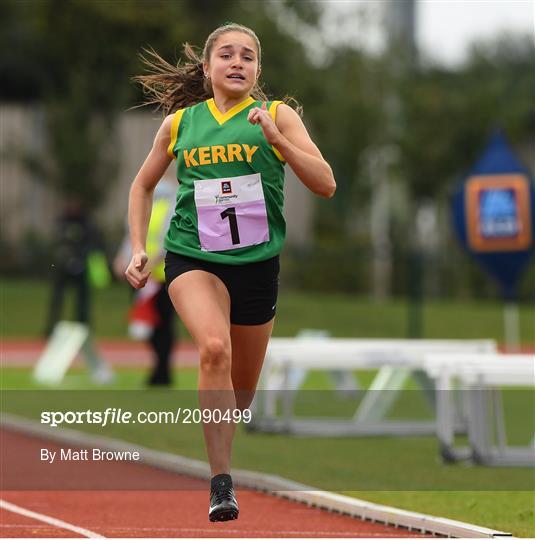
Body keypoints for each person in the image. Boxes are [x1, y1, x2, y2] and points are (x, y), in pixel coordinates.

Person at [126, 22, 336, 522]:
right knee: (212, 348)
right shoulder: (180, 125)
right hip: (191, 257)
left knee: (239, 397)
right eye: (226, 54)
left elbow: (326, 183)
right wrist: (139, 247)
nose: (237, 62)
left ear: (258, 70)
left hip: (256, 267)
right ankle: (221, 483)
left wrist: (277, 141)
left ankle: (222, 446)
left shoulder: (277, 116)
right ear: (208, 67)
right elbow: (140, 186)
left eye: (247, 56)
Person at [113, 178, 178, 386]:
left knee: (163, 327)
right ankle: (159, 367)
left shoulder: (172, 207)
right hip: (141, 279)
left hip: (162, 279)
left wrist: (153, 262)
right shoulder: (139, 207)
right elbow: (131, 238)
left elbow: (169, 240)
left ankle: (162, 371)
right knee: (146, 327)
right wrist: (122, 260)